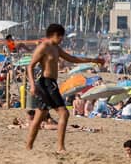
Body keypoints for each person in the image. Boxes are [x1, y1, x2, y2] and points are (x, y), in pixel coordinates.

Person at [24, 23, 104, 153]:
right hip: (46, 84)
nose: (62, 39)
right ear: (55, 35)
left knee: (40, 115)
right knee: (64, 113)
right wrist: (32, 85)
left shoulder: (56, 48)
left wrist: (93, 60)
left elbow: (72, 59)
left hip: (51, 83)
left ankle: (28, 147)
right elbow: (30, 66)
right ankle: (60, 147)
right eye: (61, 37)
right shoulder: (43, 47)